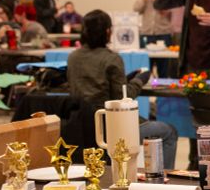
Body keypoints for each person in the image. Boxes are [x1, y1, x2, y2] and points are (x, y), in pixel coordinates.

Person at [67, 9, 178, 169]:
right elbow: (122, 99)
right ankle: (165, 178)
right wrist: (140, 80)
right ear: (108, 32)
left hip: (81, 124)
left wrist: (126, 80)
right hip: (113, 126)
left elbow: (94, 86)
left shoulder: (73, 57)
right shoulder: (111, 58)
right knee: (169, 132)